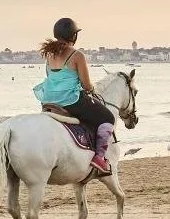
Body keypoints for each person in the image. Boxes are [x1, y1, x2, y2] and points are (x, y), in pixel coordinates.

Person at [34, 18, 113, 174]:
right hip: (70, 101)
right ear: (74, 36)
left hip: (48, 100)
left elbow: (50, 76)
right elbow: (86, 85)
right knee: (108, 117)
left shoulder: (50, 55)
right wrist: (92, 89)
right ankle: (99, 157)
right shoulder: (77, 55)